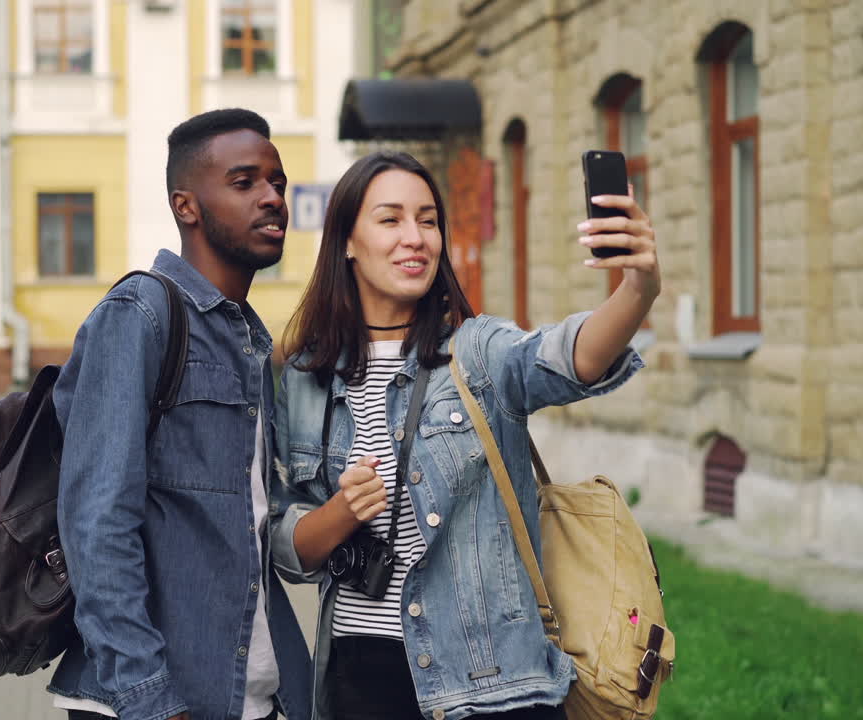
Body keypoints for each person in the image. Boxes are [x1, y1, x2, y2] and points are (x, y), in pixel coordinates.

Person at [269, 150, 658, 720]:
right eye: (391, 219)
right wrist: (341, 514)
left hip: (489, 685)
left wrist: (637, 289)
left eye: (428, 221)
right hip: (358, 679)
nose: (416, 237)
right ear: (346, 241)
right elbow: (285, 541)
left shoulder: (478, 354)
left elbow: (568, 357)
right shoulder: (304, 377)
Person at [47, 109, 313, 720]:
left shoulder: (248, 337)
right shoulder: (139, 315)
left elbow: (247, 522)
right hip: (157, 701)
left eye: (278, 182)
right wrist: (148, 699)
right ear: (186, 206)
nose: (272, 198)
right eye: (245, 183)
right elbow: (96, 522)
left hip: (251, 692)